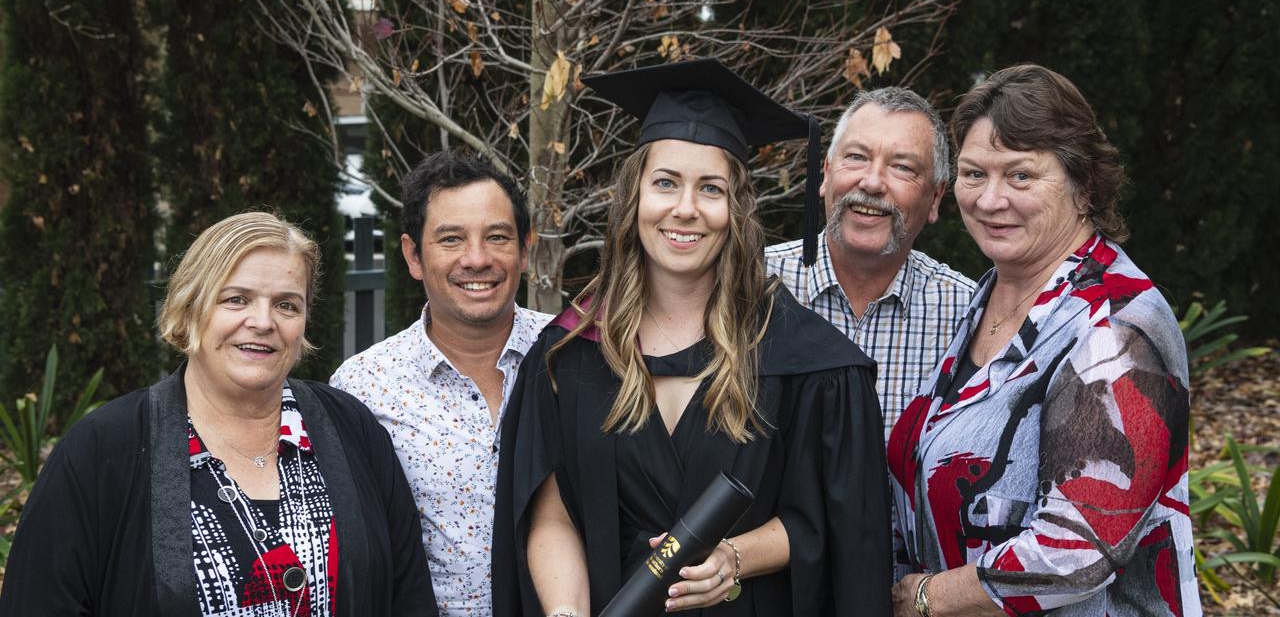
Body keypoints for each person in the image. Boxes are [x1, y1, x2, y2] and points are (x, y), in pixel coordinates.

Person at [493, 59, 892, 616]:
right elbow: (552, 513)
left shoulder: (804, 360)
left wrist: (733, 556)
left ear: (736, 209)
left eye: (711, 188)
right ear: (634, 198)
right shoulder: (572, 352)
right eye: (665, 183)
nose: (685, 209)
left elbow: (832, 523)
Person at [0, 211, 436, 616]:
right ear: (191, 307)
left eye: (287, 304)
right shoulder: (101, 450)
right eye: (236, 299)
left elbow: (409, 593)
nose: (263, 321)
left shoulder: (351, 428)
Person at [887, 65, 1200, 616]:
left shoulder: (1116, 326)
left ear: (1083, 186)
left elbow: (1078, 550)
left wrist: (923, 597)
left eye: (1021, 176)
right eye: (973, 173)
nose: (989, 200)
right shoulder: (989, 295)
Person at [331, 151, 552, 616]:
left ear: (525, 249)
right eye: (451, 239)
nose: (477, 259)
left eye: (497, 237)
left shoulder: (572, 356)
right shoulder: (364, 388)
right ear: (413, 255)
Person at [766, 87, 975, 441]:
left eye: (902, 167)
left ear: (936, 197)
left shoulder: (968, 318)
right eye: (857, 157)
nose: (873, 182)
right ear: (826, 173)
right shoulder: (750, 285)